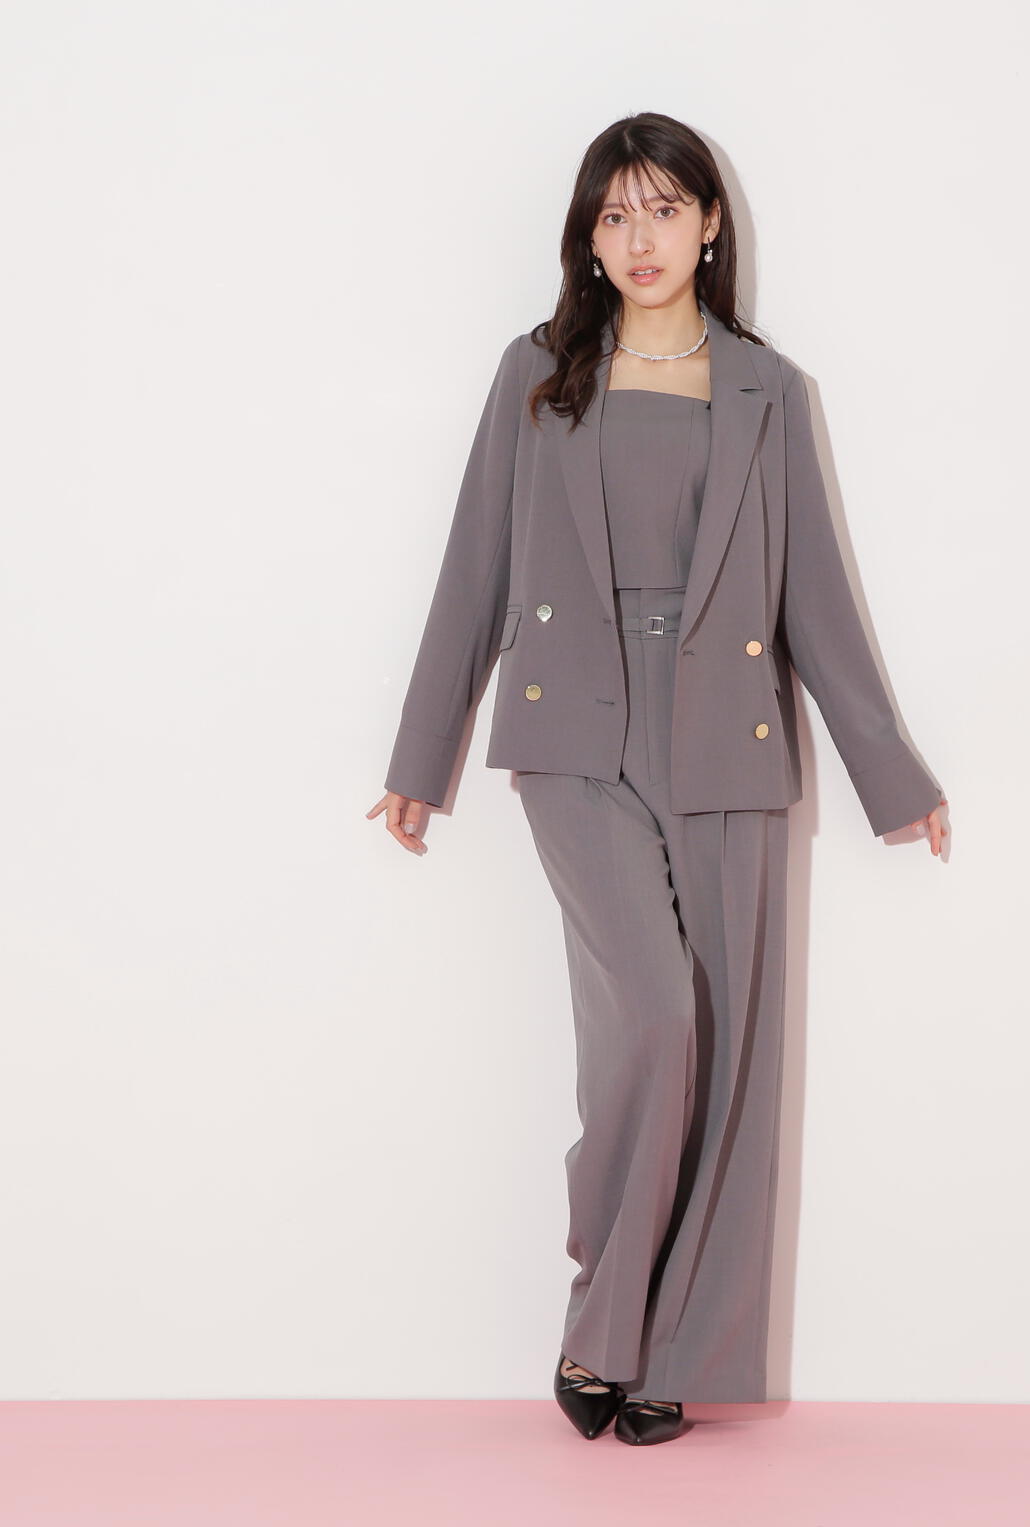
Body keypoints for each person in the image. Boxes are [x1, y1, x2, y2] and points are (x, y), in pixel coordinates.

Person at [367, 112, 948, 1447]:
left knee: (728, 1047)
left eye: (665, 210)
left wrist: (890, 773)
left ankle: (674, 1352)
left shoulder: (767, 390)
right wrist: (420, 756)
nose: (640, 238)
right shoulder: (538, 374)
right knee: (653, 1020)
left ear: (710, 224)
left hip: (725, 730)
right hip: (574, 730)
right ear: (589, 233)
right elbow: (475, 564)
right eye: (615, 213)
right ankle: (603, 1321)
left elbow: (815, 597)